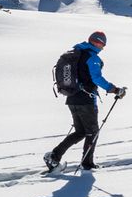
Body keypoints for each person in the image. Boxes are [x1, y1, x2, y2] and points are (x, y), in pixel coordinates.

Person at [44, 30, 126, 172]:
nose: (103, 48)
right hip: (86, 100)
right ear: (98, 42)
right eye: (103, 44)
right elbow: (96, 78)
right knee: (92, 132)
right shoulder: (91, 57)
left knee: (80, 132)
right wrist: (114, 89)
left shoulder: (77, 52)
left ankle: (54, 156)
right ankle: (87, 164)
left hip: (72, 98)